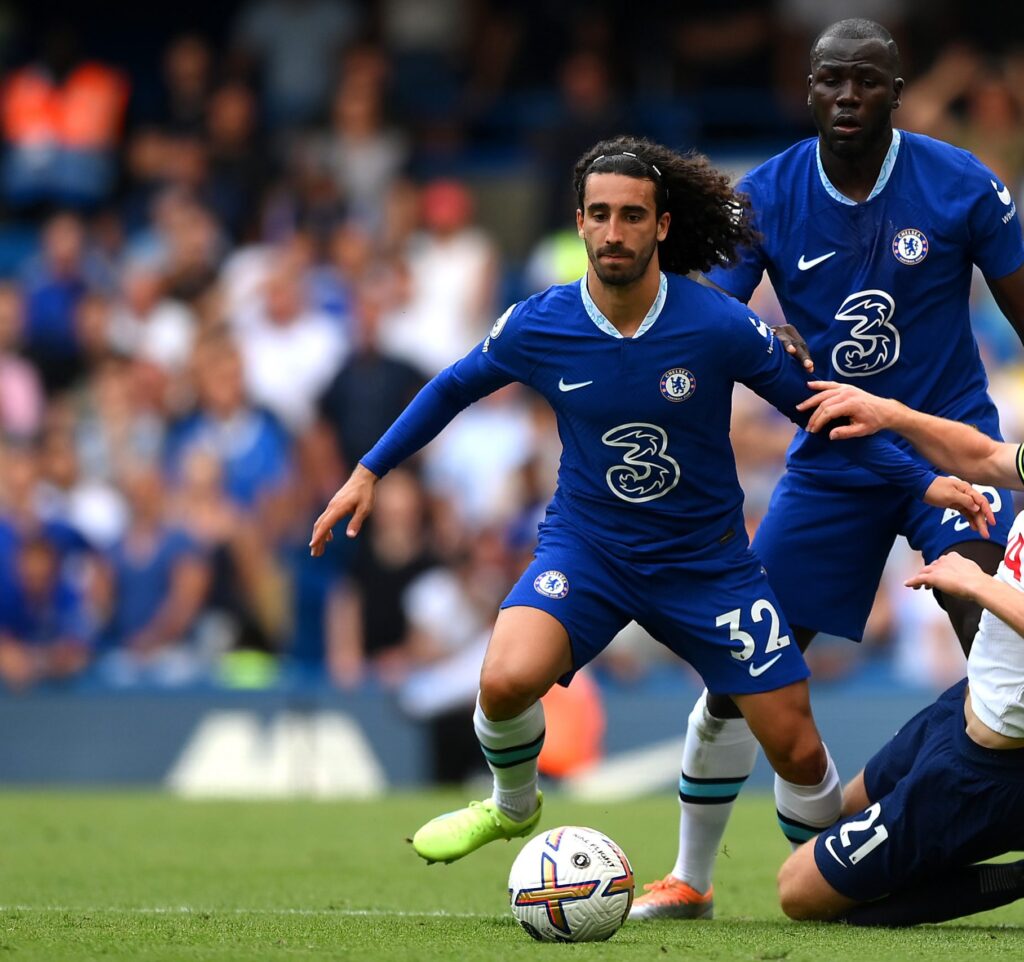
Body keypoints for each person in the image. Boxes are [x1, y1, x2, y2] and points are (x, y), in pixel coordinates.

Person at [309, 134, 989, 866]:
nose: (613, 231)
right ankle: (512, 805)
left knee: (794, 744)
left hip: (707, 565)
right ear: (578, 223)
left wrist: (920, 480)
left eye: (631, 215)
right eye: (598, 214)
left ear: (661, 225)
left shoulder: (720, 324)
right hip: (591, 552)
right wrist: (368, 470)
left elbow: (824, 414)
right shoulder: (541, 322)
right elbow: (450, 388)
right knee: (504, 679)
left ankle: (830, 874)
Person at [631, 17, 1024, 921]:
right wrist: (748, 342)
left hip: (949, 448)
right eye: (830, 80)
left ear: (896, 91)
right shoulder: (764, 197)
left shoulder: (962, 183)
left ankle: (964, 814)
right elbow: (710, 323)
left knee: (997, 637)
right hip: (835, 459)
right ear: (807, 90)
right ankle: (692, 877)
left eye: (866, 81)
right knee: (748, 662)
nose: (847, 96)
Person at [772, 380, 1024, 925]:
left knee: (798, 894)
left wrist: (980, 585)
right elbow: (980, 454)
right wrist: (892, 413)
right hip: (967, 704)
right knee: (836, 817)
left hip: (994, 766)